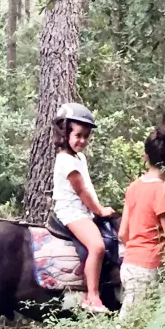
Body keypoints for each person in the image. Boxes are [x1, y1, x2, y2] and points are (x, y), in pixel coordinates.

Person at [117, 121, 165, 317]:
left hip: (129, 266)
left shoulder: (133, 187)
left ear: (146, 157)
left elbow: (123, 233)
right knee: (127, 327)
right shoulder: (163, 192)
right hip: (149, 269)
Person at [52, 103, 115, 314]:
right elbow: (82, 191)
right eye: (78, 135)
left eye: (86, 136)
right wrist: (99, 210)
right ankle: (92, 296)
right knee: (97, 246)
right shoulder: (65, 161)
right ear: (65, 134)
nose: (82, 141)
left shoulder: (79, 157)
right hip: (71, 211)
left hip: (82, 210)